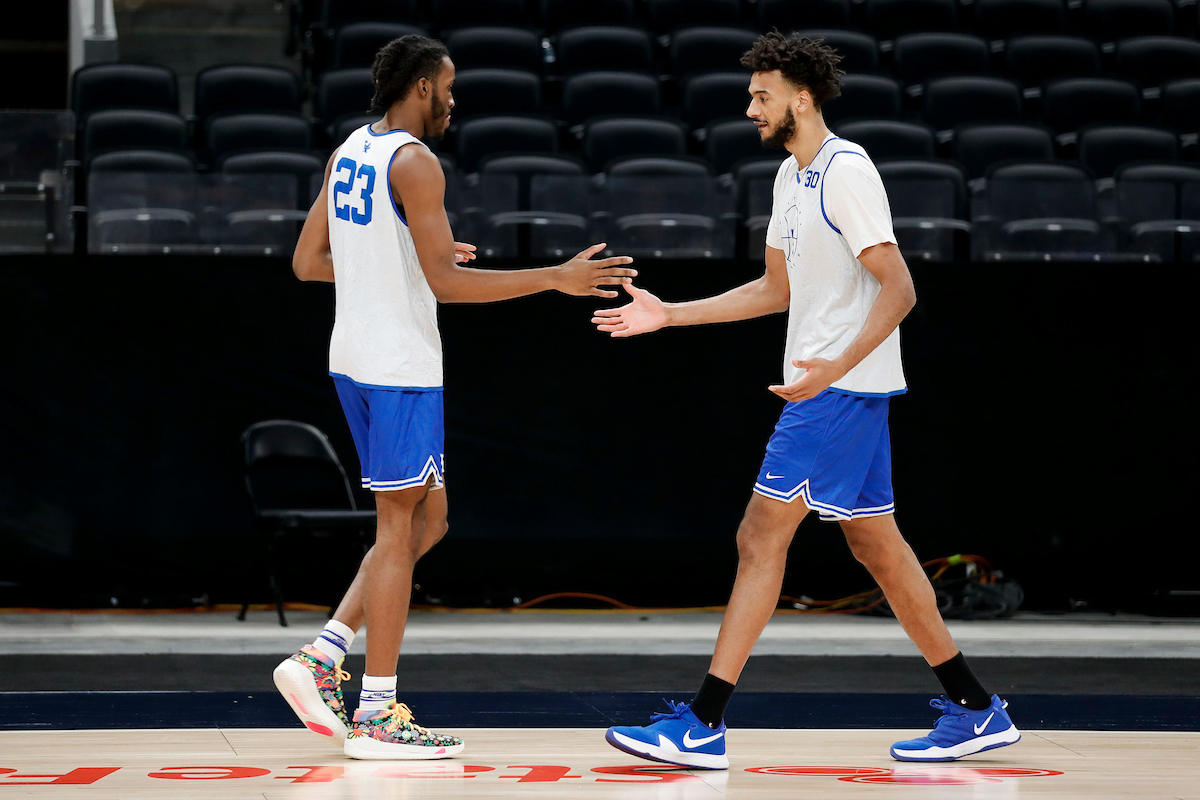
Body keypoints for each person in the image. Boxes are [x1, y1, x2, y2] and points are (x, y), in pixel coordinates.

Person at [594, 32, 1019, 768]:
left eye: (762, 95)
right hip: (837, 388)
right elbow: (774, 290)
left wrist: (834, 368)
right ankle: (976, 708)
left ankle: (703, 722)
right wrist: (672, 314)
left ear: (802, 96)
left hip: (839, 389)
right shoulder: (790, 179)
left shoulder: (846, 169)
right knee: (876, 544)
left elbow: (901, 289)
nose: (750, 106)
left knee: (760, 536)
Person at [276, 34, 636, 761]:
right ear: (418, 88)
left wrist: (397, 258)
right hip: (397, 365)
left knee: (426, 522)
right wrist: (553, 278)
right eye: (447, 86)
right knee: (396, 530)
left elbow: (307, 263)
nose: (453, 99)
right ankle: (376, 711)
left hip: (354, 355)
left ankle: (322, 655)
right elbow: (449, 286)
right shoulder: (415, 161)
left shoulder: (350, 149)